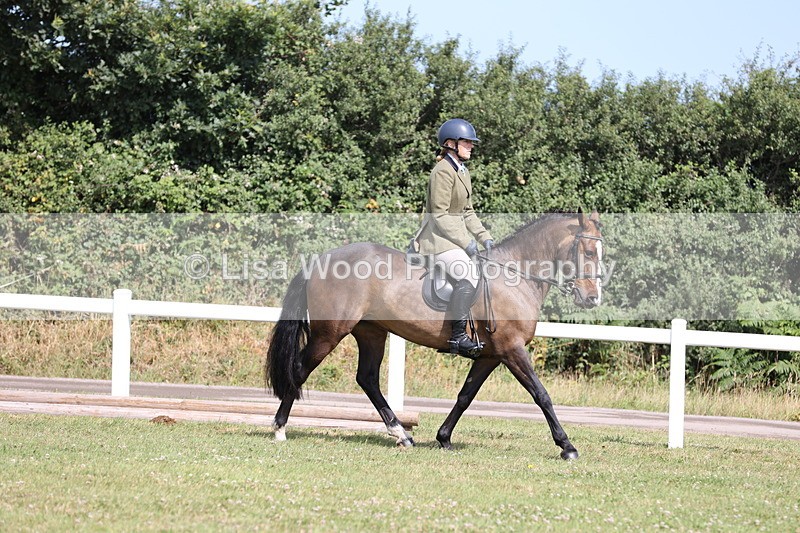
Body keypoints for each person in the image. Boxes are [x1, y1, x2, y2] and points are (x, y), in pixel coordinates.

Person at [415, 118, 494, 359]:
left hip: (452, 237)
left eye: (471, 142)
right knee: (468, 273)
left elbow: (467, 212)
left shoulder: (462, 171)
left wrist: (484, 238)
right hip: (437, 240)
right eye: (466, 142)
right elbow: (439, 214)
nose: (471, 146)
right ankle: (457, 336)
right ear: (450, 143)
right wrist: (466, 242)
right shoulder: (442, 172)